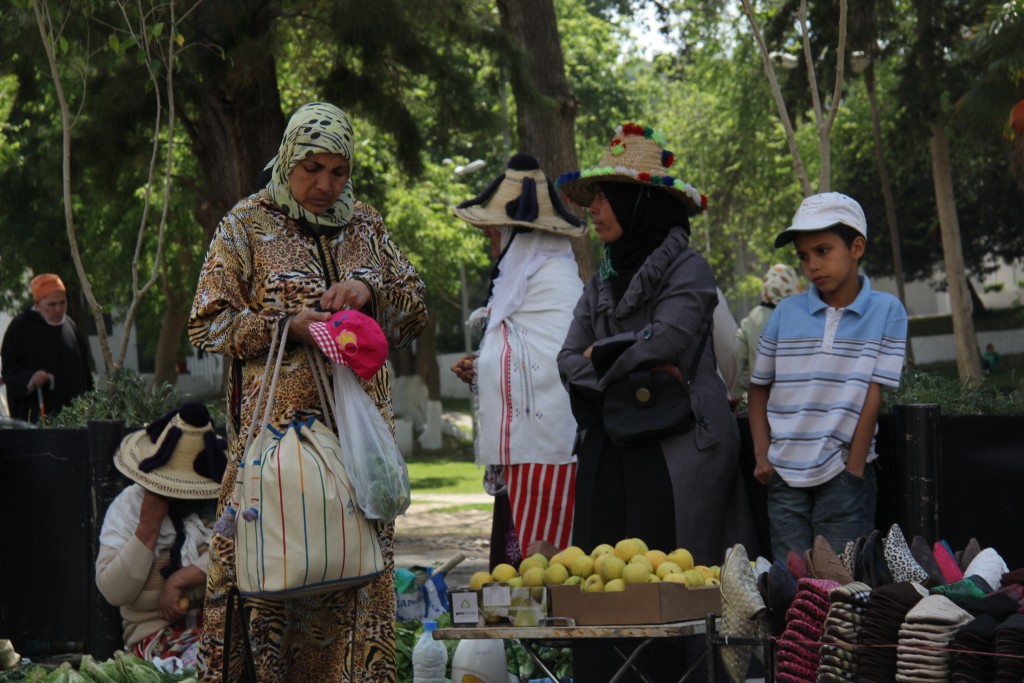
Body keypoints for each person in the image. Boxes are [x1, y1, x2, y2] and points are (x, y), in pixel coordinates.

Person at [187, 102, 427, 681]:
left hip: (357, 458)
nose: (324, 184)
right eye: (310, 167)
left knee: (356, 580)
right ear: (288, 158)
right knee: (274, 586)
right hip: (276, 459)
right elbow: (206, 323)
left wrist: (369, 289)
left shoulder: (365, 226)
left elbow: (415, 305)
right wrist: (283, 325)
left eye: (338, 171)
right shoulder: (245, 225)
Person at [556, 122, 759, 681]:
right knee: (599, 573)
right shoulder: (601, 278)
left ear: (636, 201)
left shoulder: (690, 269)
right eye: (592, 196)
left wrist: (603, 358)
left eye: (604, 197)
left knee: (670, 584)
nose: (593, 209)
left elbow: (669, 340)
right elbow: (567, 356)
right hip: (611, 444)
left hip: (677, 452)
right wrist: (626, 365)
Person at [748, 192, 908, 563]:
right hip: (784, 476)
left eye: (822, 250)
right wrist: (762, 454)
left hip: (844, 476)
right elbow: (757, 389)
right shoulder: (784, 313)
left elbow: (873, 392)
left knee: (840, 587)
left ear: (856, 247)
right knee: (791, 585)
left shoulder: (887, 311)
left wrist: (853, 468)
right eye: (804, 256)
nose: (812, 265)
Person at [449, 153, 584, 565]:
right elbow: (519, 355)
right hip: (526, 457)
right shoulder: (523, 284)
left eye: (496, 235)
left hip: (551, 454)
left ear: (520, 236)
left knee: (549, 568)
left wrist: (490, 365)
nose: (492, 245)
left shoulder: (554, 282)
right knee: (523, 569)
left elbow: (552, 364)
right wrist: (484, 365)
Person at [96, 402, 226, 669]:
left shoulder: (216, 504)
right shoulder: (128, 508)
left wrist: (180, 579)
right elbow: (113, 591)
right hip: (156, 641)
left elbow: (233, 556)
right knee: (211, 664)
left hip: (218, 627)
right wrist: (147, 529)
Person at [0, 273, 93, 422]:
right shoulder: (20, 328)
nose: (58, 309)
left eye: (62, 303)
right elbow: (9, 370)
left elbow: (85, 374)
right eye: (52, 304)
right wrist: (30, 378)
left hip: (76, 419)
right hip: (37, 420)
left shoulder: (71, 326)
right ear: (37, 304)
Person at [732, 264, 801, 399]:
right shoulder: (799, 316)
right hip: (796, 401)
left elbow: (735, 359)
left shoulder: (752, 318)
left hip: (761, 402)